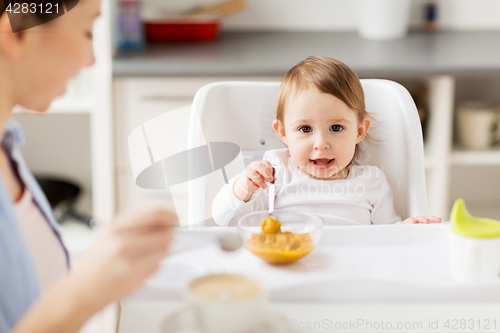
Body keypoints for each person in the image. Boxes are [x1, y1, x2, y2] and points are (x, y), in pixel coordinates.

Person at [0, 0, 177, 332]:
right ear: (16, 35)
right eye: (86, 31)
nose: (91, 59)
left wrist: (105, 263)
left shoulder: (8, 140)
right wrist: (87, 291)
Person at [212, 56, 441, 226]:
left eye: (336, 128)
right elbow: (225, 220)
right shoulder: (274, 173)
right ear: (283, 133)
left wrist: (406, 229)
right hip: (290, 265)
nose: (321, 143)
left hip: (353, 272)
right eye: (305, 129)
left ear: (360, 131)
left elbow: (387, 237)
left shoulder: (372, 182)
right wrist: (244, 187)